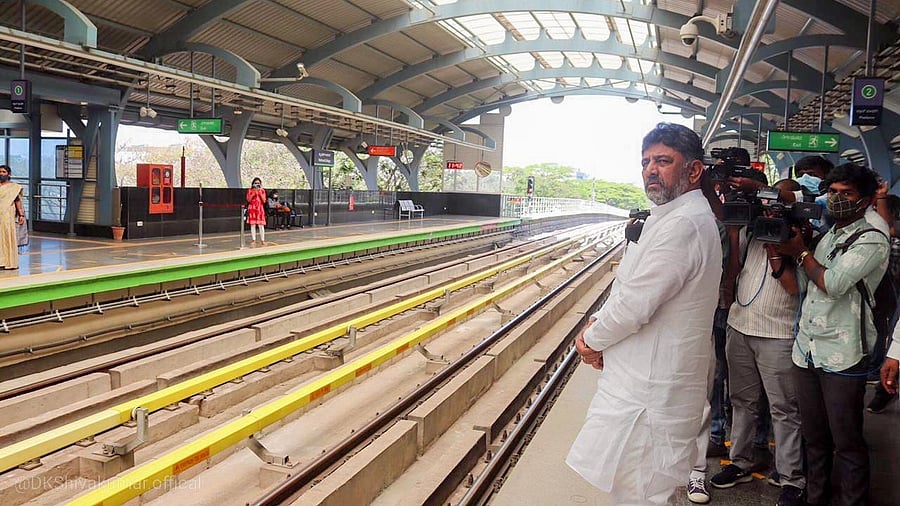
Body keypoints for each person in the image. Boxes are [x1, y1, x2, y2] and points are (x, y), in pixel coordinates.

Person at [567, 123, 722, 505]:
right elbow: (630, 287)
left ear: (694, 170)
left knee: (641, 493)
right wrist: (599, 325)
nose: (651, 169)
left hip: (650, 395)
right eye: (646, 162)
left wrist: (589, 340)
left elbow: (635, 305)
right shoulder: (669, 216)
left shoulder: (683, 224)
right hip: (646, 385)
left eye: (664, 161)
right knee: (645, 490)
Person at [775, 163, 889, 506]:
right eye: (833, 192)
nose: (837, 199)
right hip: (807, 350)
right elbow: (809, 283)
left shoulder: (872, 239)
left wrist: (803, 253)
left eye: (847, 194)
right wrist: (802, 250)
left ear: (866, 200)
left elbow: (834, 284)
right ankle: (816, 497)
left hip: (843, 354)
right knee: (815, 438)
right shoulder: (830, 234)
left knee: (848, 441)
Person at [709, 179, 807, 506]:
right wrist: (736, 234)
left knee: (783, 409)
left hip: (778, 333)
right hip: (740, 326)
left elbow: (795, 289)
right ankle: (740, 462)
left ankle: (792, 478)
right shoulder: (751, 233)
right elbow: (732, 274)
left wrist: (777, 248)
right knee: (741, 401)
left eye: (774, 202)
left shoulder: (799, 237)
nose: (767, 209)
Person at [0, 164, 26, 270]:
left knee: (7, 236)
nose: (1, 174)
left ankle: (9, 262)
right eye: (0, 172)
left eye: (3, 172)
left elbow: (17, 201)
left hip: (7, 214)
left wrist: (21, 215)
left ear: (8, 174)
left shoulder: (14, 187)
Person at [246, 177, 266, 246]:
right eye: (255, 183)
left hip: (259, 209)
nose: (257, 184)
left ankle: (262, 240)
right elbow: (248, 200)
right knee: (253, 225)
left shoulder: (262, 190)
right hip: (252, 208)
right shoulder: (250, 190)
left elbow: (264, 200)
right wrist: (253, 193)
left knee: (261, 225)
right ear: (253, 183)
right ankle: (253, 240)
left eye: (258, 183)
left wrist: (259, 192)